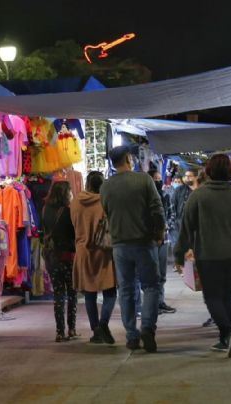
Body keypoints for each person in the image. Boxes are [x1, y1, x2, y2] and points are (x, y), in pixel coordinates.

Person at [174, 154, 231, 358]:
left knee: (212, 296)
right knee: (227, 295)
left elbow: (186, 228)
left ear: (209, 171)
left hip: (209, 254)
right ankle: (224, 340)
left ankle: (229, 333)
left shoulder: (199, 195)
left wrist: (179, 255)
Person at [101, 146, 165, 352]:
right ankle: (147, 328)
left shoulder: (106, 186)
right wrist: (159, 233)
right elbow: (157, 209)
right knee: (151, 286)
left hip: (120, 245)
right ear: (129, 159)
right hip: (144, 242)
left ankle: (131, 335)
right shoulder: (144, 180)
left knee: (126, 290)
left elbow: (107, 213)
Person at [70, 171, 117, 345]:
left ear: (87, 183)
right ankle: (103, 323)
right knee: (110, 291)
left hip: (83, 251)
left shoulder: (75, 202)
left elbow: (73, 225)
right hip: (103, 252)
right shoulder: (105, 201)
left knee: (89, 293)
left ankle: (96, 330)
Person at [136, 169, 176, 316]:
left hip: (163, 239)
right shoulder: (143, 198)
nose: (158, 181)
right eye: (156, 179)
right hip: (149, 241)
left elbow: (171, 214)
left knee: (162, 274)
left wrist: (165, 227)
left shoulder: (165, 196)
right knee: (151, 274)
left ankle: (160, 302)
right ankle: (150, 305)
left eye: (160, 179)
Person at [42, 181, 77, 342]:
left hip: (52, 256)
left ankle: (59, 331)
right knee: (71, 292)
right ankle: (72, 329)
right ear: (65, 193)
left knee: (58, 294)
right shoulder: (69, 212)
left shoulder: (45, 210)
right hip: (68, 256)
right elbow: (73, 234)